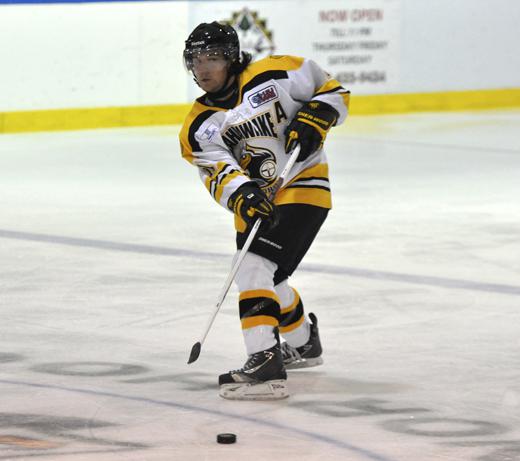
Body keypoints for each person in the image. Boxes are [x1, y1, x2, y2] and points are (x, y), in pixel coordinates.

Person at [179, 21, 350, 400]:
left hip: (304, 183)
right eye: (196, 60)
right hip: (258, 204)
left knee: (253, 266)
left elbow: (332, 89)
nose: (203, 68)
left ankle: (263, 361)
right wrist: (242, 194)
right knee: (270, 279)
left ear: (234, 58)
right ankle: (304, 342)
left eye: (213, 58)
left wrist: (316, 116)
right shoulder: (198, 125)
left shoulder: (276, 72)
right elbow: (218, 172)